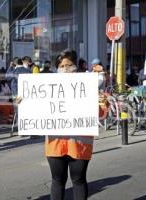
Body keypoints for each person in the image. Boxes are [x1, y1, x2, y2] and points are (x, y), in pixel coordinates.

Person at [45, 49, 93, 200]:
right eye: (62, 66)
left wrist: (99, 102)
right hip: (55, 142)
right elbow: (38, 108)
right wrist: (24, 102)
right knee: (57, 180)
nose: (66, 69)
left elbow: (98, 112)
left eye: (69, 65)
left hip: (79, 142)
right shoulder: (46, 87)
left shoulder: (87, 86)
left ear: (76, 67)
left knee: (78, 180)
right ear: (57, 68)